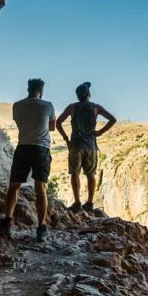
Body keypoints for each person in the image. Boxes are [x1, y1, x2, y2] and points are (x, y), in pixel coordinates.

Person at [0, 79, 55, 242]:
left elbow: (20, 123)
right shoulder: (48, 105)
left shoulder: (17, 105)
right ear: (41, 91)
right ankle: (41, 228)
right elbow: (52, 127)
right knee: (40, 187)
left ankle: (7, 223)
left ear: (28, 89)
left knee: (14, 186)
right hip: (41, 149)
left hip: (23, 148)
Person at [56, 81, 116, 212]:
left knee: (74, 173)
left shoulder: (72, 107)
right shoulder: (96, 107)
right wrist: (100, 132)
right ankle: (89, 202)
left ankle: (77, 202)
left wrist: (66, 139)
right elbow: (113, 119)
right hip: (90, 146)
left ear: (77, 95)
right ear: (88, 94)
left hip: (75, 145)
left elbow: (58, 123)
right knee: (90, 174)